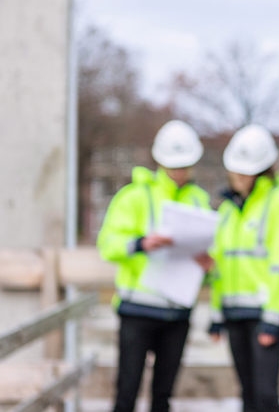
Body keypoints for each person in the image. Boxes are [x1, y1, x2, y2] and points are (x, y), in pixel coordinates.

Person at [97, 119, 210, 412]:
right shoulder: (133, 196)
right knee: (127, 391)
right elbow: (108, 245)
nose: (179, 172)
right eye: (174, 165)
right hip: (138, 309)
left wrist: (208, 264)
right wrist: (140, 244)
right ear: (160, 161)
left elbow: (212, 254)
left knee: (163, 396)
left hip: (178, 312)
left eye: (184, 165)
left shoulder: (200, 201)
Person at [207, 124, 279, 412]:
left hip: (264, 314)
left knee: (265, 396)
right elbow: (221, 266)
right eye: (234, 170)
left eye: (244, 170)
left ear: (263, 169)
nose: (237, 176)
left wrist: (273, 320)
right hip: (233, 312)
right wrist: (216, 315)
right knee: (247, 395)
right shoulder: (227, 209)